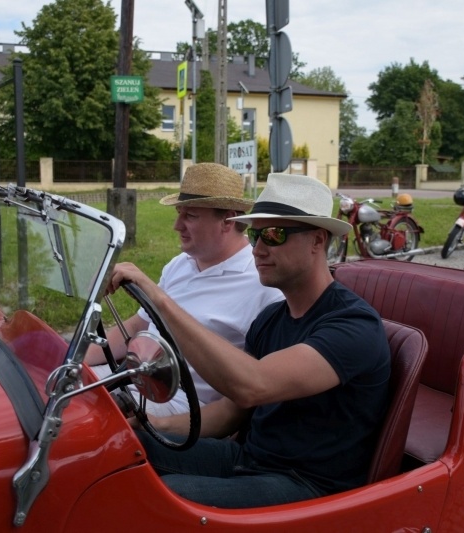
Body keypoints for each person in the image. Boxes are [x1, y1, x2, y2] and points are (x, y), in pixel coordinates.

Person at [107, 173, 391, 508]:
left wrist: (160, 299)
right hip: (248, 460)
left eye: (273, 234)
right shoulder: (271, 319)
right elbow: (232, 411)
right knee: (116, 446)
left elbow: (252, 385)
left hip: (309, 485)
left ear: (317, 240)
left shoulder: (352, 326)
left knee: (156, 498)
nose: (257, 249)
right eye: (256, 235)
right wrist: (152, 423)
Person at [87, 162, 283, 416]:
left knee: (81, 420)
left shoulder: (262, 284)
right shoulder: (181, 264)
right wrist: (76, 359)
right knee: (54, 386)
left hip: (188, 404)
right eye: (179, 213)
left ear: (227, 220)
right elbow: (138, 326)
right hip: (140, 376)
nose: (177, 226)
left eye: (189, 216)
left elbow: (257, 385)